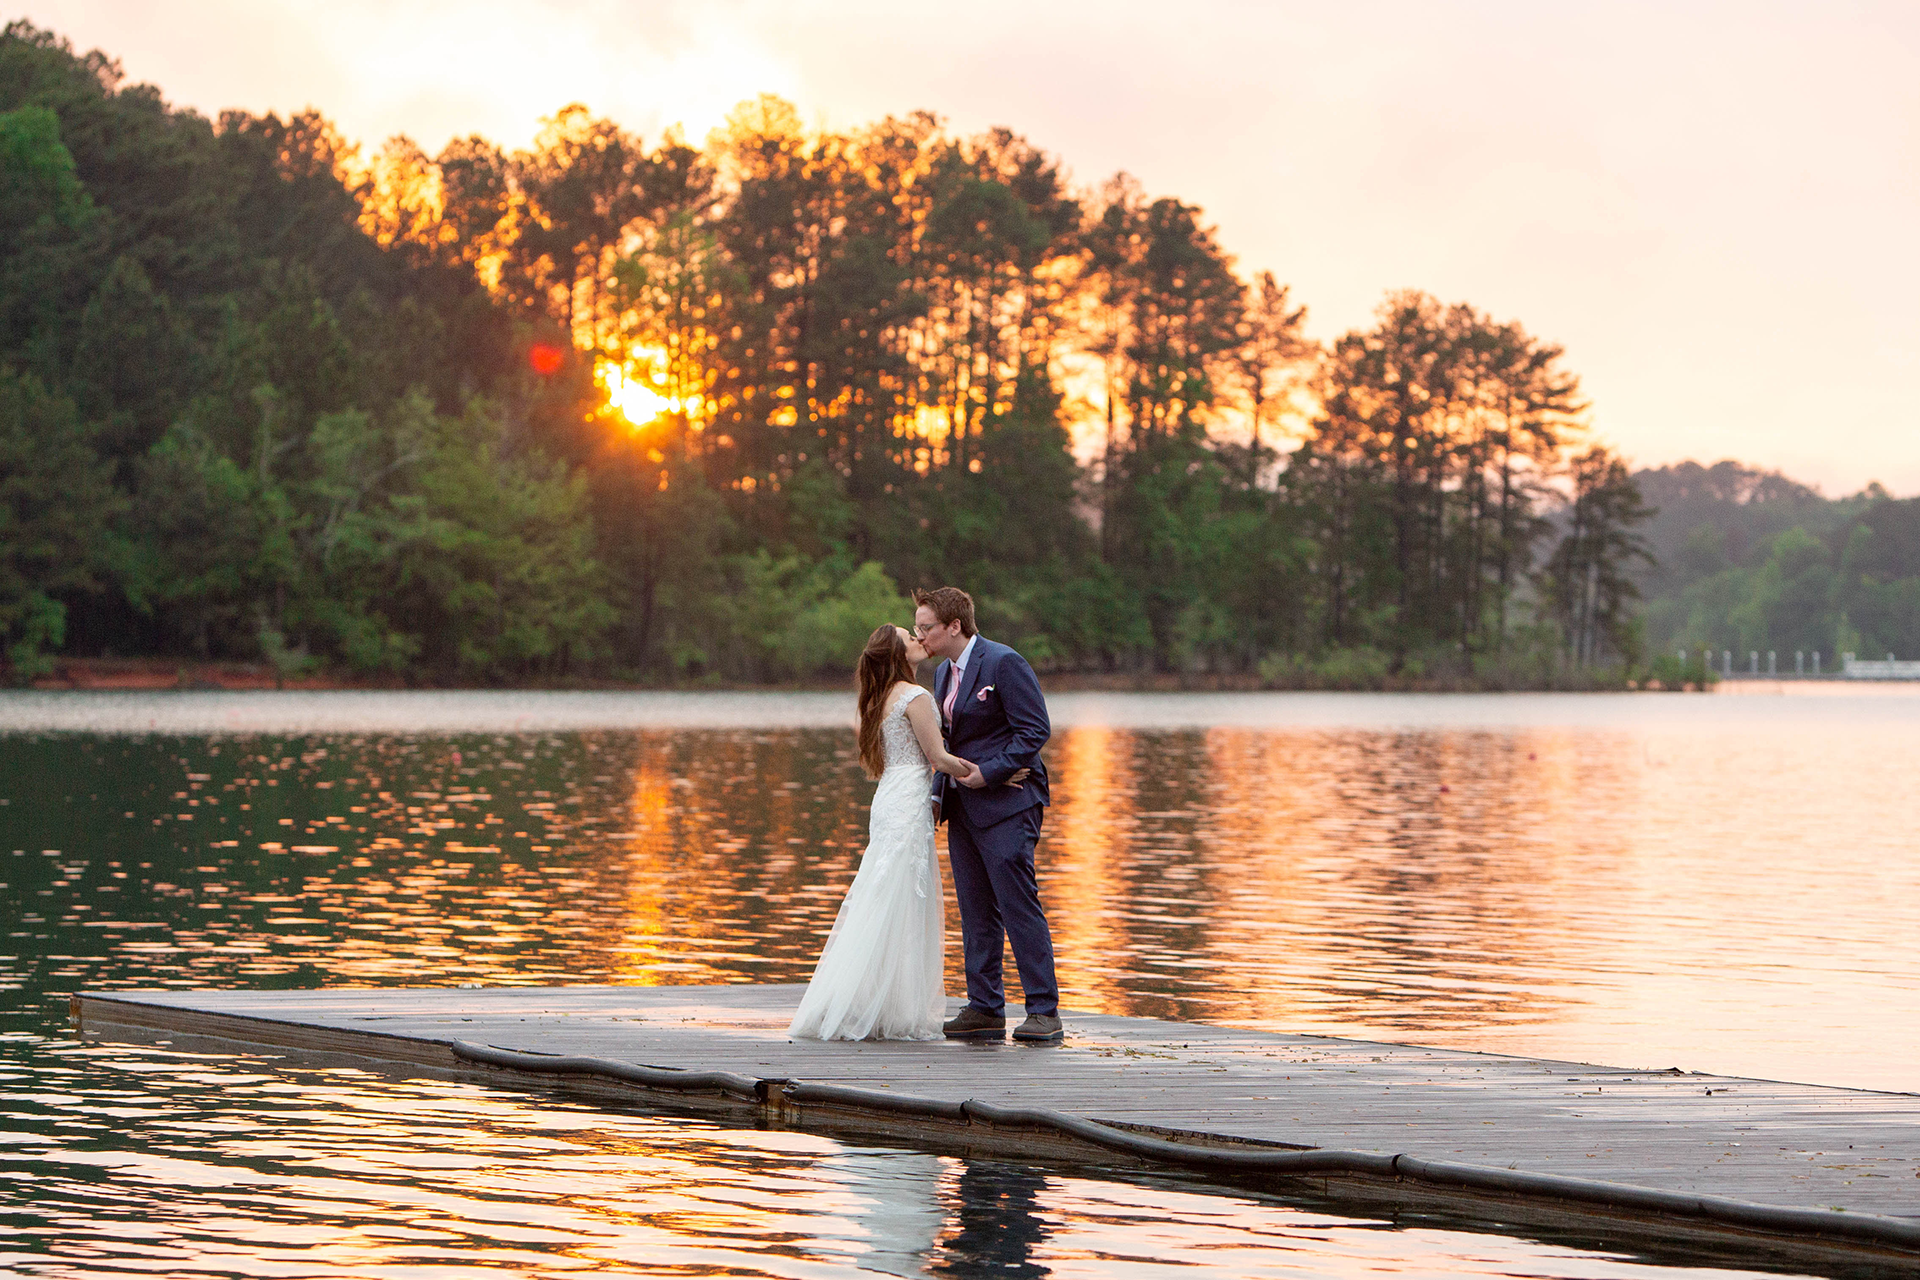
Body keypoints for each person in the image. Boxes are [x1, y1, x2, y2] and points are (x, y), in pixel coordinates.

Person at [788, 624, 981, 1041]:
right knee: (905, 895)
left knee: (883, 891)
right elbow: (939, 759)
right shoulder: (915, 697)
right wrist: (988, 773)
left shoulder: (875, 701)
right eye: (909, 638)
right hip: (909, 796)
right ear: (898, 654)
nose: (918, 639)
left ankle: (873, 1000)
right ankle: (893, 1006)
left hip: (889, 794)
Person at [913, 586, 1062, 1043]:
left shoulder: (1004, 663)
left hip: (1009, 805)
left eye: (926, 627)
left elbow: (1035, 729)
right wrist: (940, 794)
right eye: (916, 628)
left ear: (954, 626)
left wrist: (990, 774)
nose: (920, 635)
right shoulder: (941, 674)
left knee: (1019, 906)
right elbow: (947, 743)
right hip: (962, 808)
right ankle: (984, 1007)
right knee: (975, 910)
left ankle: (1044, 1012)